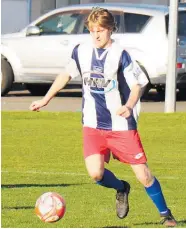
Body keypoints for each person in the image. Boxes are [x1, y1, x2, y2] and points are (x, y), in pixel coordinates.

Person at [29, 7, 177, 227]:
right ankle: (121, 188)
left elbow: (136, 85)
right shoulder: (81, 51)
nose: (96, 35)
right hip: (92, 124)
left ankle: (166, 215)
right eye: (92, 30)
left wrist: (128, 105)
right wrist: (45, 99)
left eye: (101, 30)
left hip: (121, 125)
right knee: (96, 174)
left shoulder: (121, 55)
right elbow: (66, 74)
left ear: (111, 30)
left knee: (144, 175)